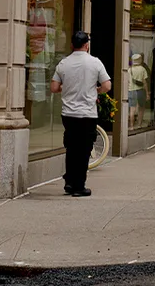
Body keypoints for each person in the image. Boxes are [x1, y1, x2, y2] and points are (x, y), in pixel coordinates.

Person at [51, 31, 112, 197]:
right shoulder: (95, 62)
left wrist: (67, 88)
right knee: (84, 149)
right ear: (87, 45)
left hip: (68, 114)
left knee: (71, 148)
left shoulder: (63, 63)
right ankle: (79, 186)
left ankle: (69, 182)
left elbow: (54, 87)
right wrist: (95, 90)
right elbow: (107, 86)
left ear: (72, 45)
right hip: (87, 114)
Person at [128, 53, 149, 128]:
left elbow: (127, 81)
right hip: (141, 90)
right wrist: (147, 93)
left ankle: (131, 126)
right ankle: (139, 125)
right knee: (141, 108)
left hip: (131, 90)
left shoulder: (129, 70)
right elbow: (144, 82)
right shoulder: (142, 69)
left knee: (132, 109)